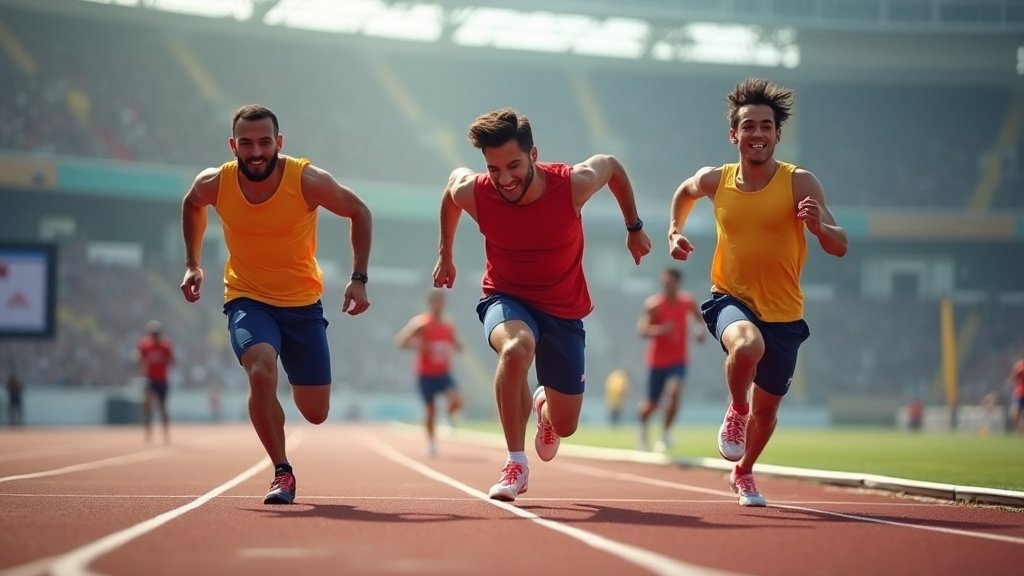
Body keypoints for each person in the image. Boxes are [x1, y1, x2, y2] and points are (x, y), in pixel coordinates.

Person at [433, 107, 651, 501]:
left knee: (565, 426)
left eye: (513, 166)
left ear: (534, 156)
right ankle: (515, 463)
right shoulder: (478, 191)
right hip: (506, 297)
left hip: (564, 310)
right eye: (494, 168)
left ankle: (544, 406)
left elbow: (612, 167)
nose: (504, 179)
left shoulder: (570, 185)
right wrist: (446, 254)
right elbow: (452, 189)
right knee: (516, 350)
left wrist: (634, 228)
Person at [667, 78, 848, 506]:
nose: (758, 134)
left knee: (768, 410)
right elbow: (684, 191)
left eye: (766, 126)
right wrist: (675, 231)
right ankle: (736, 411)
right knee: (747, 347)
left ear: (777, 135)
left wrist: (820, 228)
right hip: (730, 297)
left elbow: (840, 245)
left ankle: (744, 472)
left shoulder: (799, 182)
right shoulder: (716, 180)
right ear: (735, 135)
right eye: (749, 126)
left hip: (785, 312)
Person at [180, 104, 372, 505]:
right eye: (246, 143)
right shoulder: (216, 182)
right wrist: (193, 264)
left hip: (302, 304)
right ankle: (282, 470)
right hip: (248, 297)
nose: (255, 152)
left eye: (264, 142)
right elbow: (192, 203)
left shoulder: (307, 180)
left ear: (278, 143)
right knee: (262, 372)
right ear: (233, 145)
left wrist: (358, 279)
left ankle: (282, 413)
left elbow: (359, 211)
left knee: (315, 412)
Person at [636, 268, 705, 452]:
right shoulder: (654, 305)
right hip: (657, 361)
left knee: (674, 393)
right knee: (651, 405)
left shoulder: (687, 302)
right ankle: (643, 429)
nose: (665, 285)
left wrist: (699, 332)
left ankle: (665, 434)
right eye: (663, 282)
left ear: (677, 283)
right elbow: (642, 330)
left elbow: (699, 320)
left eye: (669, 282)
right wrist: (660, 330)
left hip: (678, 360)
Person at [394, 289, 465, 456]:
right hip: (426, 373)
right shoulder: (421, 323)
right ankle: (432, 442)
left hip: (443, 372)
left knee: (457, 399)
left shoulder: (448, 325)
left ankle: (447, 416)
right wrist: (419, 346)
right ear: (430, 303)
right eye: (436, 301)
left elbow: (456, 343)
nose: (439, 305)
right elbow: (400, 341)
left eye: (442, 301)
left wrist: (457, 347)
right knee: (431, 409)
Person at [133, 320, 175, 443]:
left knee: (162, 407)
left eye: (156, 334)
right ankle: (148, 432)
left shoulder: (165, 346)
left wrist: (164, 362)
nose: (155, 336)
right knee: (147, 405)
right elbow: (139, 357)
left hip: (162, 379)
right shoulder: (145, 345)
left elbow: (172, 360)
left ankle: (166, 433)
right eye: (153, 334)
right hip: (150, 378)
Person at [1010, 353, 1024, 435]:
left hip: (1019, 392)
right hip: (1020, 393)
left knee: (1016, 413)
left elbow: (1013, 377)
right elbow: (1014, 377)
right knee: (1016, 413)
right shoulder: (1020, 365)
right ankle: (1019, 431)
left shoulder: (1019, 365)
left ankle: (1019, 431)